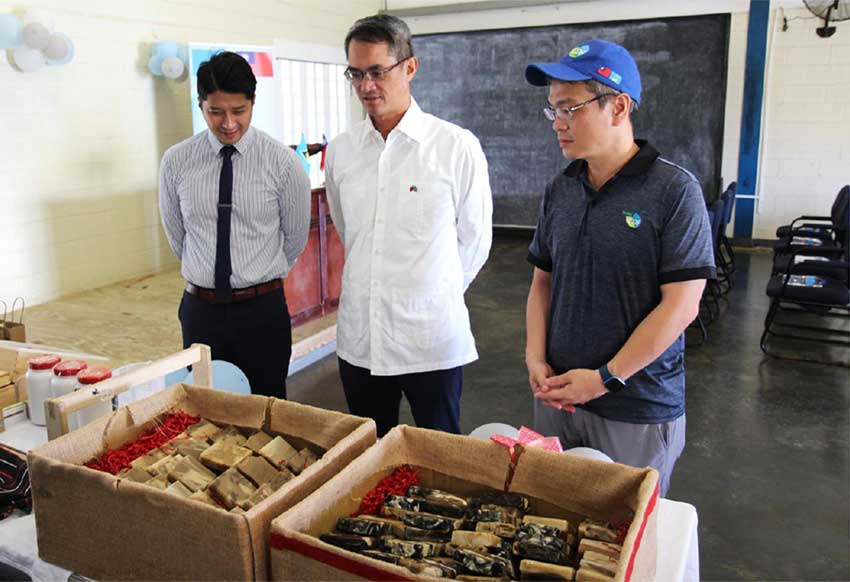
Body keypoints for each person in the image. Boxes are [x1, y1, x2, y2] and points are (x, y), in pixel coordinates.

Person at [523, 39, 715, 496]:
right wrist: (535, 356)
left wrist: (606, 378)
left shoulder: (674, 191)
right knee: (555, 520)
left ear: (618, 106)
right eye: (553, 110)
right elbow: (542, 283)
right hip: (560, 398)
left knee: (624, 539)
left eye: (570, 108)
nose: (559, 124)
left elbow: (682, 306)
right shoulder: (561, 190)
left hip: (635, 407)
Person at [325, 14, 493, 437]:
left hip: (430, 343)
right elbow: (350, 233)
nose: (366, 86)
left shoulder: (454, 146)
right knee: (368, 457)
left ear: (410, 67)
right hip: (361, 340)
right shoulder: (343, 152)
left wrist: (433, 295)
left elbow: (475, 239)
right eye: (356, 74)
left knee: (440, 459)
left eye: (378, 72)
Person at [158, 51, 310, 398]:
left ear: (253, 102)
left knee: (268, 408)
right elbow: (178, 235)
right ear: (201, 105)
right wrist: (208, 274)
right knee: (205, 407)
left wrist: (253, 275)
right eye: (216, 111)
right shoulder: (176, 161)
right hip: (201, 312)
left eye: (238, 111)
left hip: (262, 312)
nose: (228, 123)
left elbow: (294, 238)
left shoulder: (282, 163)